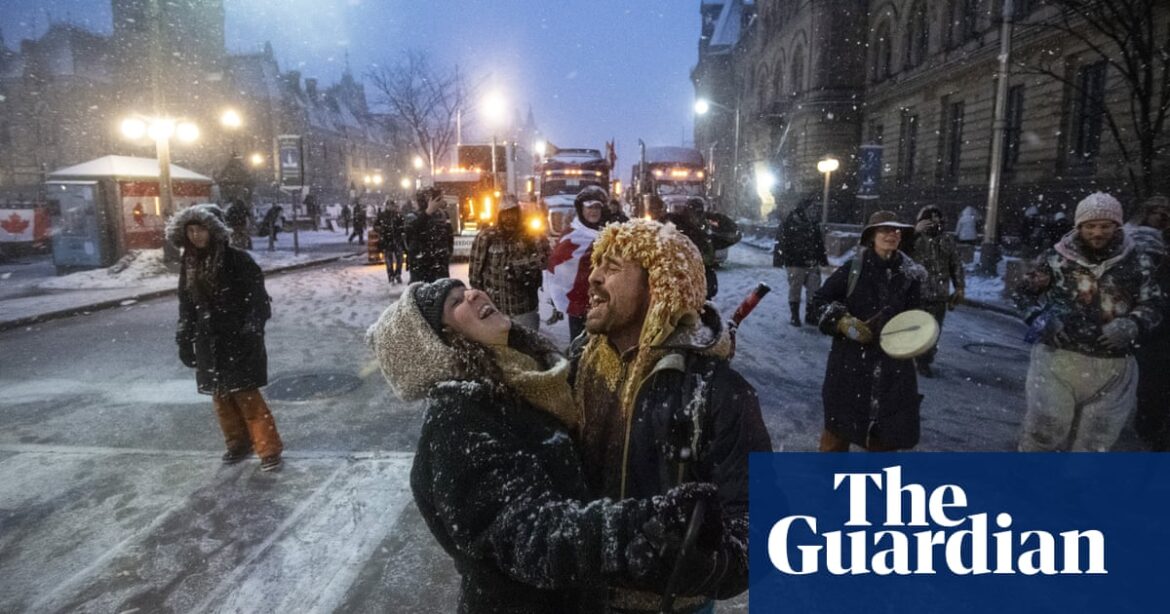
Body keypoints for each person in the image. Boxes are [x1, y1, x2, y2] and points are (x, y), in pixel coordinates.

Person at [366, 278, 722, 613]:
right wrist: (645, 525)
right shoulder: (459, 420)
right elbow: (527, 533)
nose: (474, 295)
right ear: (439, 344)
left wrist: (698, 338)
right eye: (455, 303)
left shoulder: (531, 379)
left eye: (469, 289)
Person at [570, 219, 773, 613]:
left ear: (661, 286)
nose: (593, 277)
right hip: (582, 597)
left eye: (612, 267)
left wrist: (696, 563)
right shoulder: (581, 367)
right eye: (597, 264)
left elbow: (757, 521)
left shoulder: (717, 392)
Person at [1015, 192, 1164, 452]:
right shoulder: (1058, 259)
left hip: (1113, 365)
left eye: (1105, 226)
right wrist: (1040, 320)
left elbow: (1155, 303)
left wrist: (1133, 323)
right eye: (1090, 226)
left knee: (1096, 441)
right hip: (1056, 358)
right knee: (1045, 427)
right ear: (1079, 227)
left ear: (1116, 227)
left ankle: (1076, 488)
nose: (1097, 232)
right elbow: (1023, 293)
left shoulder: (1137, 261)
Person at [168, 204, 283, 471]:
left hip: (237, 338)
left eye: (201, 229)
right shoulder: (190, 264)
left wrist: (252, 327)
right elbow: (186, 304)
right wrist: (184, 337)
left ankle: (268, 449)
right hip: (208, 340)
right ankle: (237, 443)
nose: (196, 235)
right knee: (220, 396)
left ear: (215, 231)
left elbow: (258, 300)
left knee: (246, 396)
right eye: (191, 230)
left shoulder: (238, 260)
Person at [813, 210, 925, 452]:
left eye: (896, 231)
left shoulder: (910, 276)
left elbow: (918, 317)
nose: (891, 235)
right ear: (871, 236)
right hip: (850, 367)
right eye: (884, 230)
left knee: (885, 441)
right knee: (836, 437)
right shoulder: (853, 269)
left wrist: (916, 338)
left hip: (893, 371)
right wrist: (842, 322)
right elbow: (817, 302)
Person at [469, 194, 550, 330]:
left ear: (519, 213)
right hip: (495, 310)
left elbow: (546, 258)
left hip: (524, 309)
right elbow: (474, 275)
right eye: (505, 214)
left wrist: (517, 267)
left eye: (513, 213)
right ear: (499, 215)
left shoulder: (531, 236)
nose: (509, 218)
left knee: (526, 348)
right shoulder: (486, 237)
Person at [1126, 195, 1170, 450]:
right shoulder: (1132, 239)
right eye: (1158, 210)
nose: (1163, 216)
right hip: (1145, 320)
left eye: (1167, 212)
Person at [545, 186, 607, 341]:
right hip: (579, 302)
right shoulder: (572, 235)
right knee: (580, 344)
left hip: (605, 300)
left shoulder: (609, 233)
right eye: (589, 207)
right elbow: (558, 266)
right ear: (581, 210)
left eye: (597, 207)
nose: (594, 211)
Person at [912, 205, 965, 377]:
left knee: (933, 331)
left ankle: (924, 361)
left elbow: (956, 264)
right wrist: (914, 233)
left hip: (939, 295)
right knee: (913, 329)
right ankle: (909, 356)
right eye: (929, 221)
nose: (934, 225)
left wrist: (959, 287)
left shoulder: (947, 240)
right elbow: (900, 254)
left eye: (937, 221)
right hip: (916, 294)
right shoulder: (914, 239)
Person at [774, 197, 829, 326]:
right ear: (804, 209)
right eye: (811, 208)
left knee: (814, 290)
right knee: (795, 289)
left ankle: (810, 315)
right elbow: (780, 241)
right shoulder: (790, 222)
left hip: (812, 262)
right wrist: (779, 258)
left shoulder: (813, 223)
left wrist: (822, 258)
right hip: (795, 262)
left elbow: (818, 242)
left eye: (814, 208)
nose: (814, 210)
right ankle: (795, 316)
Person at [408, 187, 454, 283]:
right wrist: (427, 212)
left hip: (440, 265)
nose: (441, 201)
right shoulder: (413, 216)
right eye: (438, 198)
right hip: (421, 266)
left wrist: (447, 252)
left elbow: (449, 235)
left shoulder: (443, 215)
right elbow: (411, 232)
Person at [375, 200, 407, 285]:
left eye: (392, 205)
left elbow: (403, 226)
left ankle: (398, 274)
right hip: (386, 240)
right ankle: (391, 276)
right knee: (388, 261)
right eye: (389, 205)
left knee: (400, 259)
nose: (390, 207)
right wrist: (381, 229)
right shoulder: (382, 215)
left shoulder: (398, 215)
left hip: (397, 240)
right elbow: (376, 225)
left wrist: (401, 231)